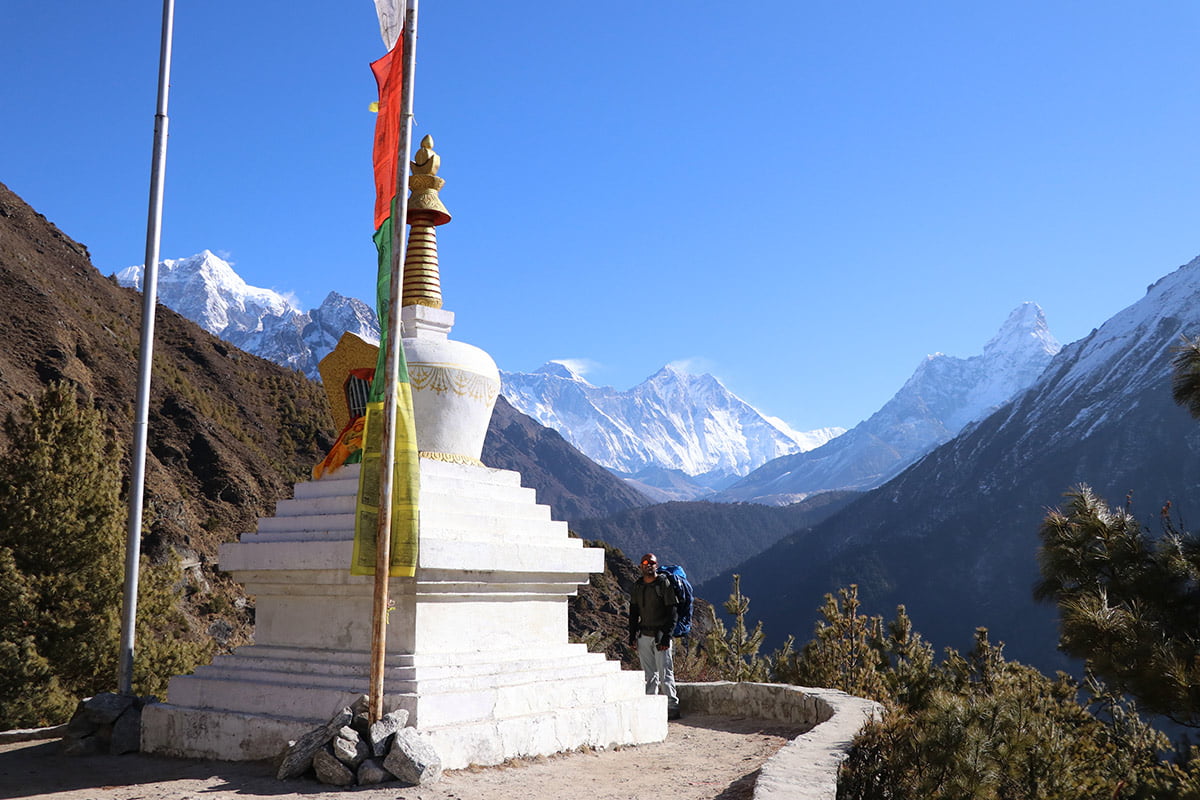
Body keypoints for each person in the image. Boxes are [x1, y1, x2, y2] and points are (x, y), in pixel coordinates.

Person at [628, 552, 680, 718]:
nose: (648, 565)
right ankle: (651, 707)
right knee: (649, 674)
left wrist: (666, 636)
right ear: (640, 566)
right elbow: (633, 612)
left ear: (656, 565)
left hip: (660, 636)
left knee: (665, 673)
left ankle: (672, 706)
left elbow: (673, 612)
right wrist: (632, 635)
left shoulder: (663, 584)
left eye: (651, 563)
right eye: (645, 563)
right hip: (644, 635)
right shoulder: (638, 586)